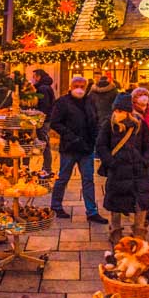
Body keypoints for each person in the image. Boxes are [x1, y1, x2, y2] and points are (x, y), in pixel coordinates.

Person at [96, 93, 149, 241]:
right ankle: (115, 231)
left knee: (140, 201)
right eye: (115, 110)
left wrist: (145, 160)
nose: (117, 113)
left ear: (128, 111)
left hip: (138, 170)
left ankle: (139, 232)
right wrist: (110, 162)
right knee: (116, 201)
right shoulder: (109, 124)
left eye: (120, 110)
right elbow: (101, 145)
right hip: (118, 170)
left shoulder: (140, 124)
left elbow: (148, 144)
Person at [48, 74, 102, 223]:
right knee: (63, 177)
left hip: (87, 148)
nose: (79, 89)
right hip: (69, 147)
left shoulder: (90, 101)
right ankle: (56, 206)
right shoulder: (62, 102)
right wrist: (71, 137)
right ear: (70, 87)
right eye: (76, 86)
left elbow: (95, 120)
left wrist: (95, 137)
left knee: (88, 179)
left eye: (82, 86)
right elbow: (55, 123)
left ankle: (91, 211)